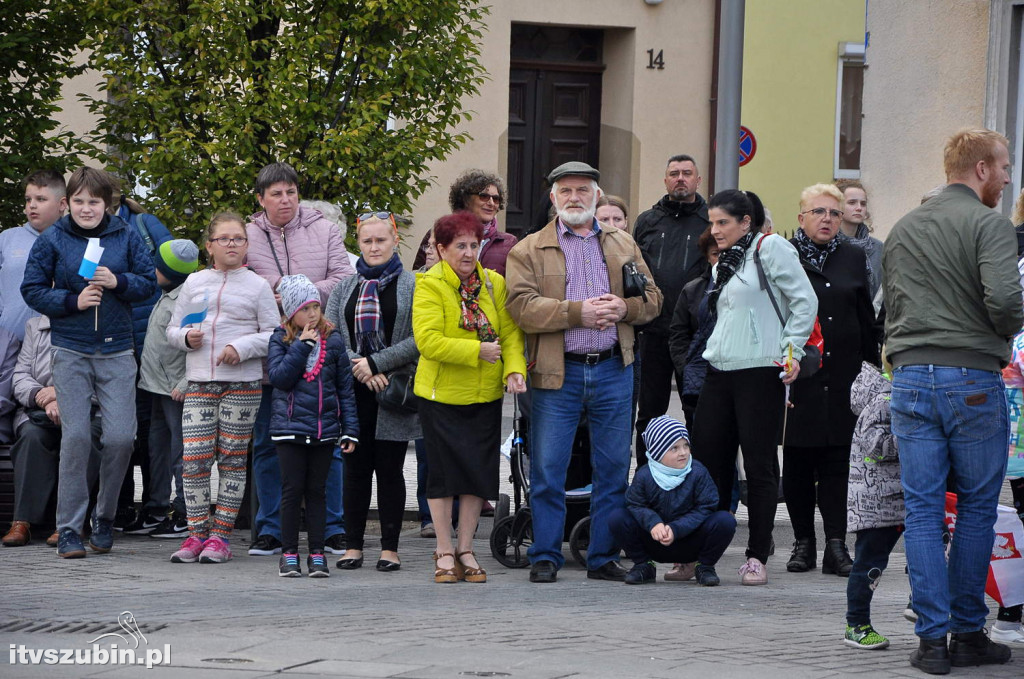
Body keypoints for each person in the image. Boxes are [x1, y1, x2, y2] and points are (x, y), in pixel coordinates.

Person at [883, 128, 1020, 673]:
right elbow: (1007, 300)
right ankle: (967, 633)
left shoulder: (903, 227)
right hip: (971, 378)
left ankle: (931, 642)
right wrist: (1002, 329)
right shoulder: (989, 224)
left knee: (921, 513)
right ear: (982, 169)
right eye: (1005, 167)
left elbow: (889, 304)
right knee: (976, 510)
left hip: (911, 377)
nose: (1009, 179)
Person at [506, 161, 661, 584]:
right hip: (559, 374)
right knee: (548, 468)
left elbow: (653, 300)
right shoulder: (528, 249)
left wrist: (624, 308)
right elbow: (520, 307)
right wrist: (578, 312)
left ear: (597, 195)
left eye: (583, 190)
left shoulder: (622, 242)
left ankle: (602, 555)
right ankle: (544, 555)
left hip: (614, 369)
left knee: (612, 468)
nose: (574, 197)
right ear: (553, 198)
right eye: (566, 191)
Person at [20, 167, 158, 559]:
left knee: (120, 438)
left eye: (93, 201)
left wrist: (119, 282)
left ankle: (104, 517)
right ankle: (68, 529)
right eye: (78, 201)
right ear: (68, 203)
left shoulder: (126, 235)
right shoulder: (54, 239)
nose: (85, 208)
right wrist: (70, 302)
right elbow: (30, 289)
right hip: (71, 351)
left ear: (107, 203)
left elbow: (149, 282)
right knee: (77, 438)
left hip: (117, 353)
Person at [689, 189, 817, 586]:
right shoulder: (723, 261)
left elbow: (804, 301)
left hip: (761, 371)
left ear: (746, 221)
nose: (716, 230)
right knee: (707, 466)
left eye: (723, 222)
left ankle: (757, 554)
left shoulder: (771, 247)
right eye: (711, 222)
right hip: (719, 370)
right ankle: (700, 554)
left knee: (759, 466)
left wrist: (791, 351)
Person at [245, 162, 355, 558]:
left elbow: (344, 278)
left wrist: (298, 296)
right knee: (268, 444)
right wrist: (267, 298)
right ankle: (272, 529)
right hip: (273, 354)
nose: (285, 199)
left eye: (291, 191)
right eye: (276, 193)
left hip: (320, 350)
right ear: (261, 199)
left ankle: (334, 529)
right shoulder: (248, 235)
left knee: (329, 444)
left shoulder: (323, 228)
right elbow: (243, 284)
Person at [413, 211, 527, 584]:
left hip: (484, 396)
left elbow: (510, 333)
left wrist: (514, 369)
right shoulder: (429, 285)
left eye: (473, 245)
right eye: (459, 246)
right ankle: (444, 550)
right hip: (441, 396)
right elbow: (427, 342)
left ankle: (466, 548)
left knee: (478, 476)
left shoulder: (494, 283)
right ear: (441, 249)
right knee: (444, 477)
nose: (467, 253)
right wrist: (476, 351)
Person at [166, 212, 279, 564]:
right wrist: (186, 337)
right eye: (225, 239)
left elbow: (275, 334)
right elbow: (171, 331)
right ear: (209, 245)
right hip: (199, 382)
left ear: (247, 245)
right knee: (194, 460)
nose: (232, 245)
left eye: (239, 239)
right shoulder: (194, 283)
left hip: (242, 384)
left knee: (232, 460)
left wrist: (241, 348)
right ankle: (196, 534)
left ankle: (220, 538)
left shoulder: (258, 285)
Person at [783, 184, 878, 578]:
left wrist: (872, 372)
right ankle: (804, 541)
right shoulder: (784, 256)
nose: (827, 219)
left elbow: (865, 317)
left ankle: (836, 545)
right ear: (801, 217)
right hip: (799, 376)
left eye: (834, 214)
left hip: (844, 377)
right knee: (799, 462)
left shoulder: (853, 257)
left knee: (839, 463)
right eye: (818, 212)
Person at [325, 212, 420, 572]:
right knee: (355, 470)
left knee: (391, 469)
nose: (374, 247)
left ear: (395, 241)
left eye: (381, 240)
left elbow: (420, 337)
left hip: (394, 390)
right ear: (358, 244)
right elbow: (331, 335)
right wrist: (361, 368)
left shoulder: (414, 285)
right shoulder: (344, 287)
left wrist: (377, 364)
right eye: (368, 241)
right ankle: (353, 546)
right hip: (353, 392)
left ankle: (390, 549)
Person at [269, 275, 359, 578]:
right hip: (289, 430)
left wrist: (350, 429)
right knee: (292, 492)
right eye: (305, 308)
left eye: (316, 307)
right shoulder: (280, 338)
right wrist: (302, 347)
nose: (312, 314)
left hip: (324, 431)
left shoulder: (333, 340)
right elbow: (280, 378)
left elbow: (345, 389)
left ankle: (317, 553)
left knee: (318, 493)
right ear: (292, 311)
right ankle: (289, 553)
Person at [632, 154, 710, 462]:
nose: (680, 178)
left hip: (695, 335)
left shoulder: (709, 221)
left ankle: (699, 480)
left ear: (697, 180)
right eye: (674, 173)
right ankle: (644, 477)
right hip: (652, 330)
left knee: (699, 411)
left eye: (687, 173)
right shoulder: (648, 221)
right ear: (665, 180)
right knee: (649, 412)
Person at [1, 316, 102, 548]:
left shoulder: (96, 322)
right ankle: (22, 521)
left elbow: (105, 378)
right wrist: (41, 396)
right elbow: (20, 374)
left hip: (87, 408)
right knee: (31, 438)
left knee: (84, 438)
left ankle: (70, 523)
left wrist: (62, 394)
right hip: (40, 409)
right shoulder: (35, 326)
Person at [108, 184, 173, 535]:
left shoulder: (144, 224)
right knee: (119, 427)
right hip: (113, 339)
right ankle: (120, 507)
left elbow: (172, 263)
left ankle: (152, 508)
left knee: (148, 430)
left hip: (147, 339)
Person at [608, 415, 736, 586]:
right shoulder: (645, 475)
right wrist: (653, 523)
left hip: (689, 540)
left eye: (685, 445)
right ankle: (643, 565)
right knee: (617, 517)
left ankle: (704, 566)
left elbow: (707, 506)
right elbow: (635, 504)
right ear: (657, 452)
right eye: (674, 448)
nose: (683, 452)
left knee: (725, 521)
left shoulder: (698, 472)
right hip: (655, 540)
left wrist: (676, 528)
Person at [136, 239, 200, 539]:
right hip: (154, 387)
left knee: (180, 451)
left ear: (169, 273)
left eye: (158, 267)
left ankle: (185, 510)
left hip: (175, 389)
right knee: (157, 447)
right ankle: (156, 507)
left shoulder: (188, 301)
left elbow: (199, 345)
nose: (153, 270)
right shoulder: (166, 294)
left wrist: (185, 382)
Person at [843, 359, 904, 650]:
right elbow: (875, 445)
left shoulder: (898, 395)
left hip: (899, 498)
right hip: (876, 503)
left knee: (932, 545)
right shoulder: (883, 400)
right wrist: (913, 439)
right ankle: (856, 624)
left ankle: (919, 601)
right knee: (869, 565)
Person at [413, 170, 518, 276]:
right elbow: (418, 277)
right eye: (484, 196)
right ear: (466, 199)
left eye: (496, 199)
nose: (491, 203)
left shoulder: (508, 243)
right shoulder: (438, 234)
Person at [1, 170, 66, 341]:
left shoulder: (75, 241)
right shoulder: (7, 238)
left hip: (57, 343)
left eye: (41, 199)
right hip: (9, 343)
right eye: (28, 199)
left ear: (62, 204)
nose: (32, 205)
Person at [668, 227, 719, 428]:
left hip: (732, 376)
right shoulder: (693, 290)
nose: (721, 259)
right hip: (697, 377)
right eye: (715, 254)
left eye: (725, 253)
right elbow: (678, 334)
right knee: (699, 435)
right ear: (707, 257)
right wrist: (685, 367)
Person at [414, 228, 439, 539]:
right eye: (427, 245)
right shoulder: (415, 281)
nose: (430, 251)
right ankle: (428, 515)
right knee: (426, 452)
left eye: (435, 246)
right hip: (423, 377)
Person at [835, 180, 883, 299]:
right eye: (852, 203)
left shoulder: (877, 247)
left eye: (863, 203)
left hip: (870, 314)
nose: (859, 208)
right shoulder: (829, 244)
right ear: (837, 206)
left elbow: (881, 289)